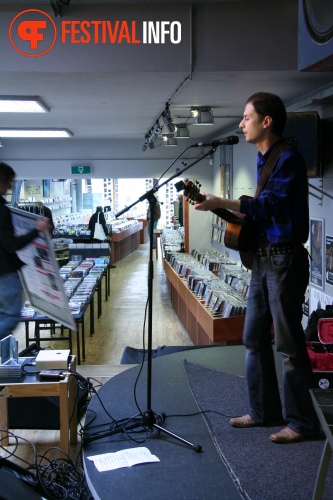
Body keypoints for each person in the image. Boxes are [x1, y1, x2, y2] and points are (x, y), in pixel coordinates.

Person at [194, 92, 319, 443]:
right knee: (252, 338)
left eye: (246, 117)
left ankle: (302, 423)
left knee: (289, 344)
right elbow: (257, 214)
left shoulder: (289, 158)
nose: (240, 123)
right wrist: (215, 206)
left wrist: (222, 200)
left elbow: (269, 205)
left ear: (267, 122)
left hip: (284, 261)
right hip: (264, 261)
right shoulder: (267, 160)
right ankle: (264, 411)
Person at [0, 162, 50, 340]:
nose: (11, 187)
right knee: (11, 316)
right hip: (4, 273)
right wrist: (37, 230)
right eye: (10, 182)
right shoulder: (2, 211)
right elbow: (11, 245)